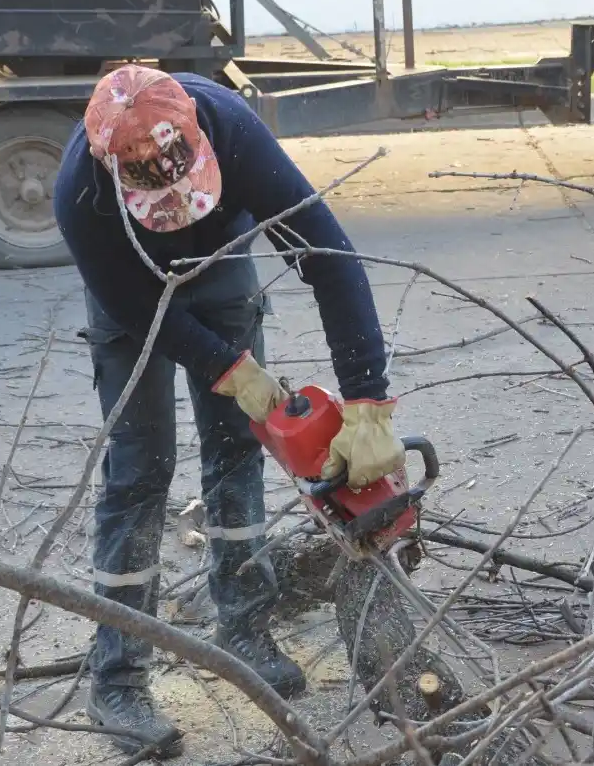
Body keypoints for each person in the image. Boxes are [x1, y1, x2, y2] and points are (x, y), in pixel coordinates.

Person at [52, 64, 406, 757]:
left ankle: (243, 627)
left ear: (197, 138)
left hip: (222, 270)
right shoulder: (81, 193)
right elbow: (132, 305)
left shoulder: (235, 129)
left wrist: (366, 398)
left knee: (242, 447)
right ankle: (117, 675)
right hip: (134, 296)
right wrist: (225, 367)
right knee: (139, 471)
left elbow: (328, 258)